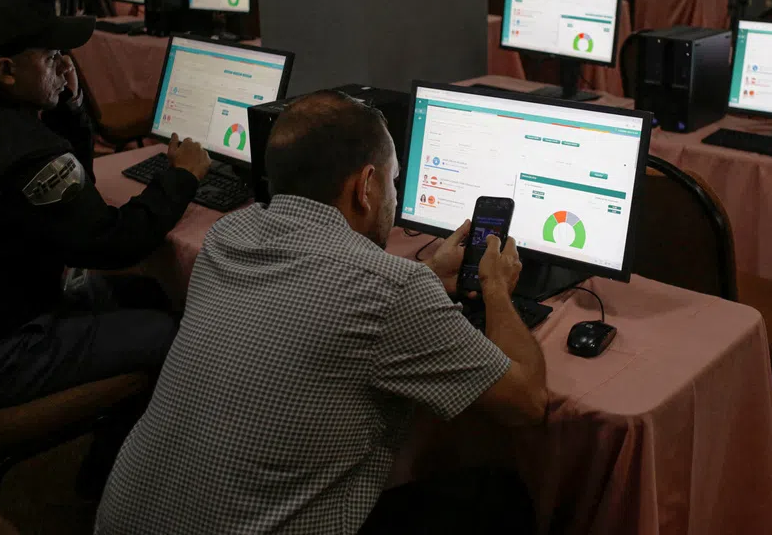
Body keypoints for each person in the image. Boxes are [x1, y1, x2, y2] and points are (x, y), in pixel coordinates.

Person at [97, 91, 546, 535]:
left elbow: (313, 295)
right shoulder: (392, 290)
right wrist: (495, 286)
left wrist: (425, 274)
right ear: (365, 187)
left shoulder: (225, 236)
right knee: (498, 493)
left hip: (123, 520)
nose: (393, 196)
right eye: (393, 181)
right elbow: (527, 403)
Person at [0, 0, 211, 417]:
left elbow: (76, 197)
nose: (65, 66)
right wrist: (182, 176)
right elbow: (114, 243)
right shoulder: (22, 151)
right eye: (51, 57)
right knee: (173, 331)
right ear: (6, 70)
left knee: (150, 291)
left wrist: (70, 108)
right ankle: (133, 454)